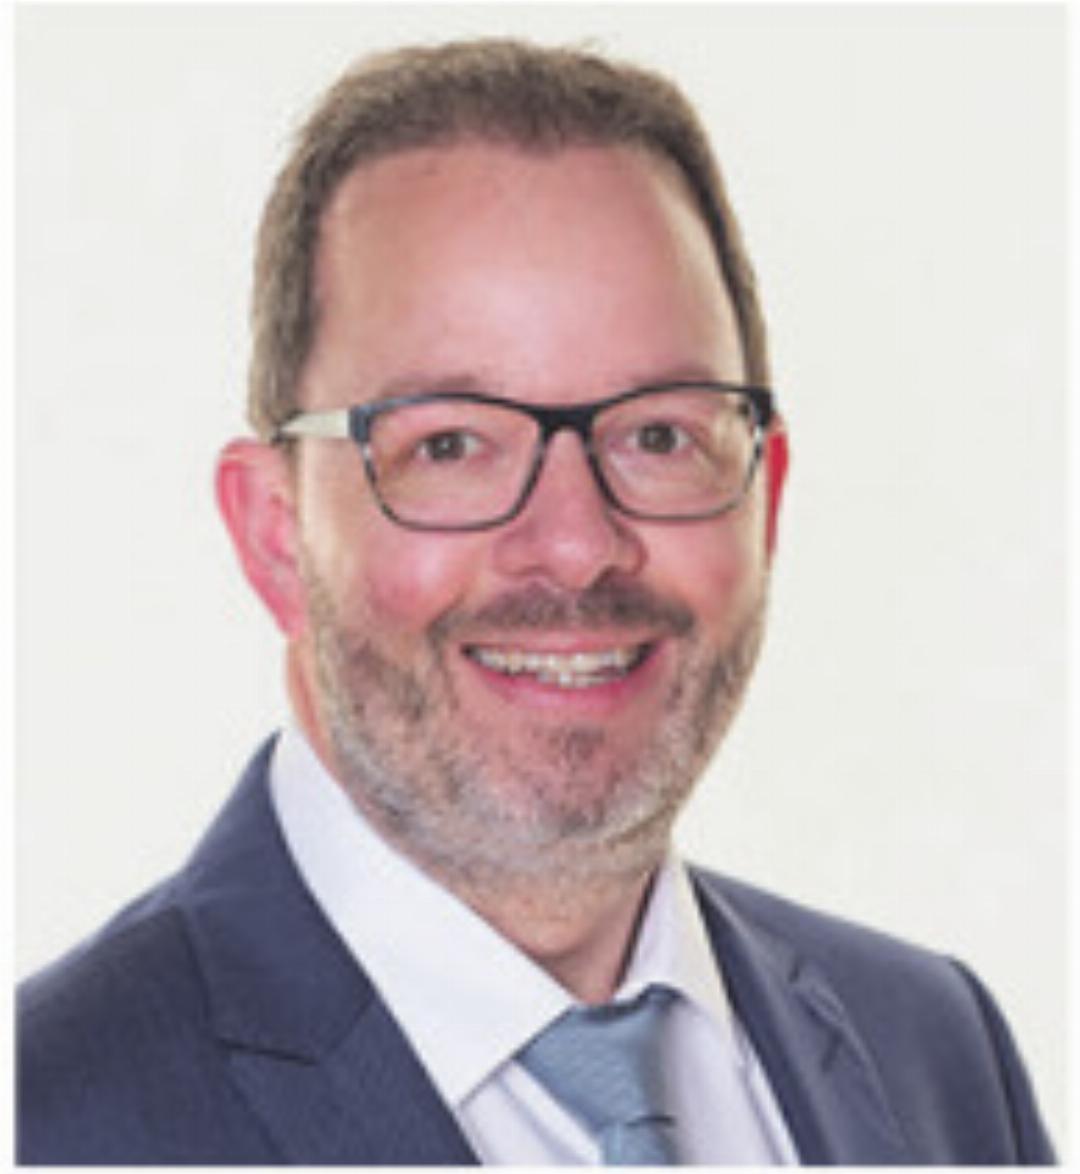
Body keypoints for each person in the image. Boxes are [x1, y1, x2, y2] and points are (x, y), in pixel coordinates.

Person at [17, 39, 1054, 1166]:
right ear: (275, 534)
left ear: (768, 498)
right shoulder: (52, 1115)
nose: (575, 547)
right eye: (450, 445)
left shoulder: (937, 1055)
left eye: (659, 435)